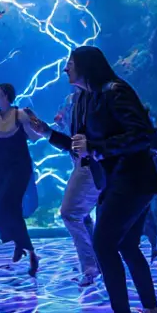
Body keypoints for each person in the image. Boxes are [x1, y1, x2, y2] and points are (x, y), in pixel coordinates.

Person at [26, 47, 157, 313]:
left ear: (86, 66)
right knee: (128, 247)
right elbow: (81, 146)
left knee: (104, 245)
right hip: (123, 181)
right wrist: (47, 133)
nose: (66, 70)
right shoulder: (88, 98)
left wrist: (97, 148)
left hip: (131, 180)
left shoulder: (114, 91)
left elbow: (141, 135)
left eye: (70, 64)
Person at [0, 83, 46, 275]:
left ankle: (30, 252)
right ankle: (19, 242)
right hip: (0, 168)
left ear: (6, 95)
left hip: (19, 167)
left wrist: (33, 121)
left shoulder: (19, 114)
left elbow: (34, 138)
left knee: (9, 206)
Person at [55, 85, 101, 286]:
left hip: (89, 162)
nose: (65, 70)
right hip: (77, 160)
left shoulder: (95, 98)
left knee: (70, 213)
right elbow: (68, 134)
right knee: (81, 216)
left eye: (71, 65)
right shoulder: (71, 99)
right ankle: (95, 265)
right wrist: (50, 129)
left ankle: (91, 267)